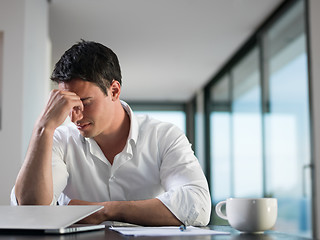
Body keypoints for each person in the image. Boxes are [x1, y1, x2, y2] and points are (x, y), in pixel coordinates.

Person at [11, 40, 211, 226]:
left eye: (85, 103)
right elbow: (31, 211)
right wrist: (42, 127)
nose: (74, 118)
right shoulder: (59, 139)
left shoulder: (164, 136)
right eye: (69, 105)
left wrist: (107, 210)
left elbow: (198, 206)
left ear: (114, 91)